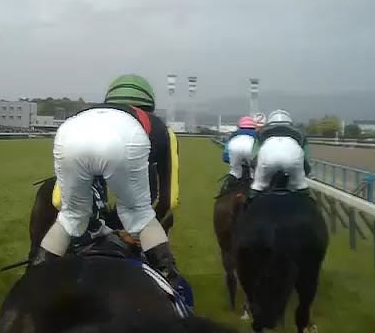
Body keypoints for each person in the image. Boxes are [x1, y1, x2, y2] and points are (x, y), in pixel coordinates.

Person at [33, 74, 187, 301]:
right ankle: (173, 287)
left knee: (69, 217)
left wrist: (97, 227)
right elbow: (168, 200)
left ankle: (33, 278)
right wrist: (130, 232)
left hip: (68, 135)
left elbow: (58, 200)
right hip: (127, 139)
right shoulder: (158, 126)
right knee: (141, 216)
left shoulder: (84, 115)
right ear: (149, 105)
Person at [249, 109, 312, 197]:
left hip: (267, 160)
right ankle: (308, 202)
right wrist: (306, 171)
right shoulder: (299, 133)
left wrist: (255, 168)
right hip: (293, 161)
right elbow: (307, 158)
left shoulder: (261, 132)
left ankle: (250, 201)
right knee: (301, 185)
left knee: (258, 185)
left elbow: (254, 156)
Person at [221, 116, 259, 193]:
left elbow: (225, 157)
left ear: (239, 127)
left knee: (234, 173)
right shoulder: (258, 136)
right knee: (255, 176)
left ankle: (227, 192)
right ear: (254, 127)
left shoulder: (233, 136)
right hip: (251, 148)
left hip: (234, 147)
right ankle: (254, 194)